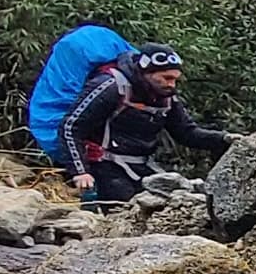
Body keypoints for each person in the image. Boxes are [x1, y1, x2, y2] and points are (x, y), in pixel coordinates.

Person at [60, 46, 231, 205]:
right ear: (146, 73)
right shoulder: (110, 86)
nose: (171, 85)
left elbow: (186, 133)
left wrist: (225, 139)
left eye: (175, 79)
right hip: (104, 165)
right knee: (126, 207)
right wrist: (80, 172)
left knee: (176, 201)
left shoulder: (165, 97)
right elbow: (70, 127)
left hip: (142, 165)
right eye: (166, 78)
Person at [27, 19, 142, 170]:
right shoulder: (111, 40)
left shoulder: (68, 46)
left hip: (74, 129)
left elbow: (61, 97)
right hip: (123, 126)